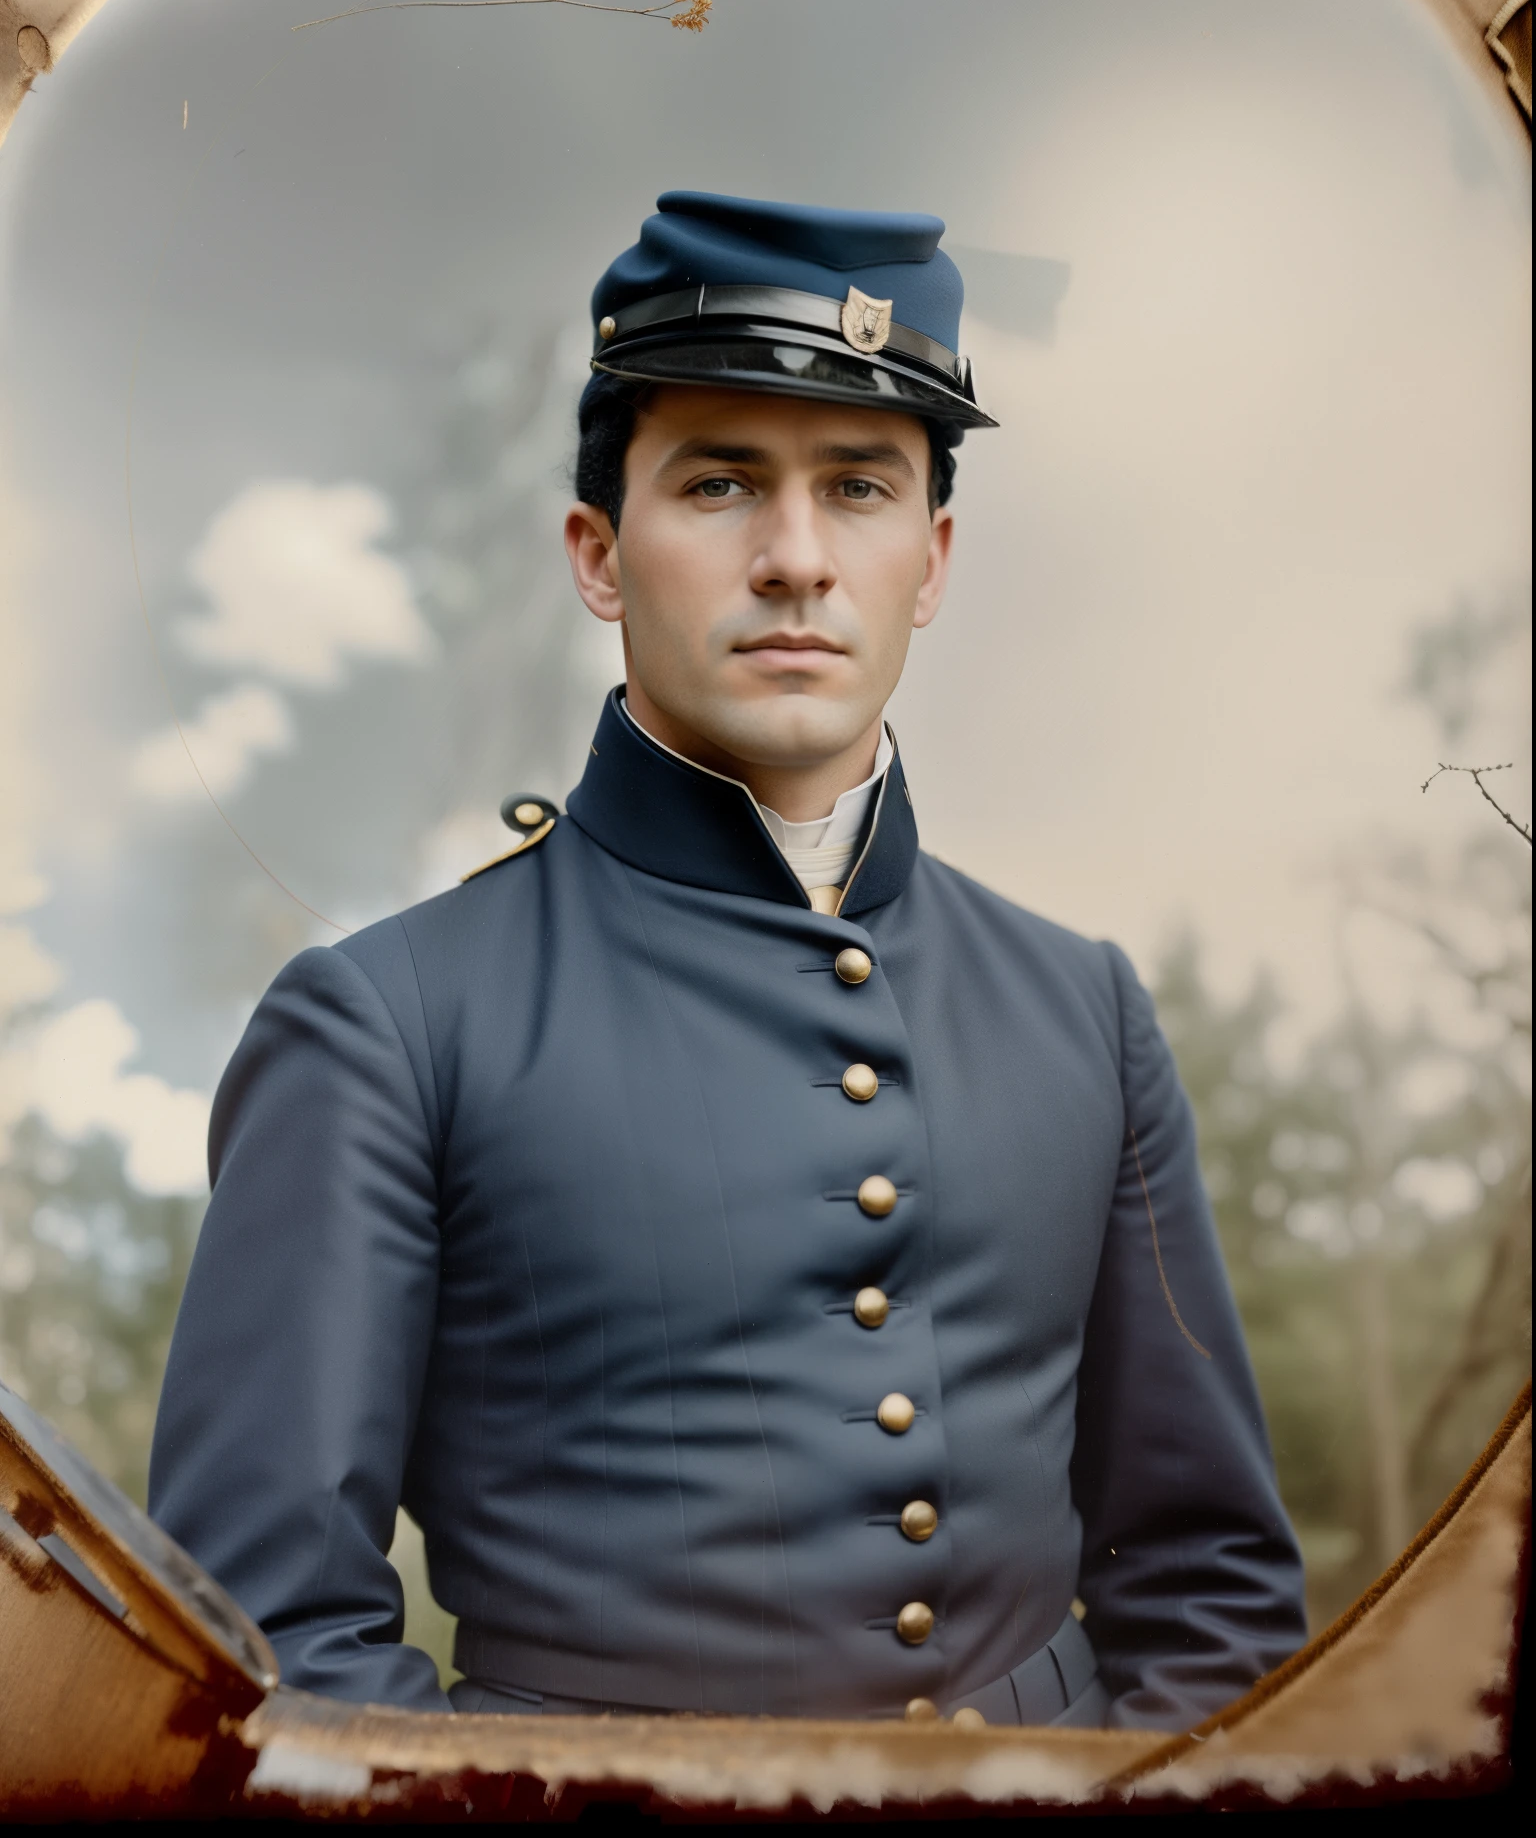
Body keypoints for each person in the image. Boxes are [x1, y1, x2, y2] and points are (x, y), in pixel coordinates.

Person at [149, 191, 1307, 1726]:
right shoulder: (388, 1025)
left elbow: (1212, 1587)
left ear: (936, 559)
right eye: (719, 484)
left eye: (860, 488)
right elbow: (264, 1647)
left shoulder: (1080, 1008)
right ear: (598, 554)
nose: (797, 560)